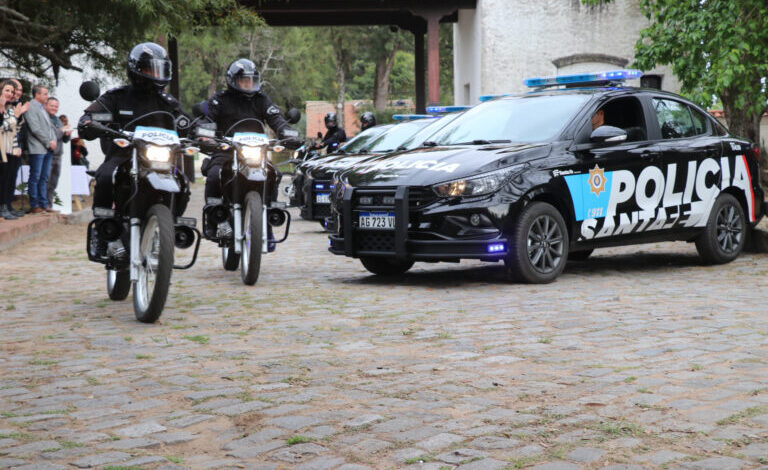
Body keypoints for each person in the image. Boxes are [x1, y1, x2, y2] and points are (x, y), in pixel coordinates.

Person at [78, 42, 189, 217]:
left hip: (160, 158)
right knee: (106, 175)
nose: (155, 74)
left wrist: (203, 133)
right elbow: (93, 115)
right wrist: (88, 121)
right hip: (123, 155)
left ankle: (173, 221)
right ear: (136, 69)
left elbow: (186, 123)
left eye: (159, 70)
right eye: (150, 70)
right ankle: (104, 227)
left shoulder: (168, 102)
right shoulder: (116, 97)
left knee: (182, 181)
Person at [203, 58, 298, 204]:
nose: (249, 84)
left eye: (252, 80)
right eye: (244, 80)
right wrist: (204, 134)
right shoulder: (220, 99)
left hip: (256, 152)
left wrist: (289, 134)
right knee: (215, 175)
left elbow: (276, 119)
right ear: (233, 80)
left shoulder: (261, 99)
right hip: (226, 151)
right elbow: (207, 119)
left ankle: (268, 214)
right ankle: (215, 220)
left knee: (274, 174)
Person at [25, 85, 57, 214]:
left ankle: (44, 204)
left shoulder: (42, 108)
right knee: (35, 177)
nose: (47, 96)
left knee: (44, 177)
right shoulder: (31, 107)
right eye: (44, 94)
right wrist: (48, 142)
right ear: (37, 95)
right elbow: (35, 129)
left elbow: (49, 127)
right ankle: (35, 204)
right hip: (37, 147)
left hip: (47, 148)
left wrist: (53, 140)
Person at [0, 80, 23, 219]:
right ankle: (2, 206)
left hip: (10, 147)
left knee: (9, 177)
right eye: (7, 90)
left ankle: (6, 205)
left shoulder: (9, 107)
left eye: (12, 92)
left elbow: (14, 128)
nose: (10, 94)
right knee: (3, 177)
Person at [45, 98, 71, 212]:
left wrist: (67, 134)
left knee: (53, 183)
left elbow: (64, 139)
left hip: (58, 155)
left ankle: (49, 205)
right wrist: (62, 130)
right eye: (52, 106)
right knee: (46, 181)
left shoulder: (58, 120)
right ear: (46, 105)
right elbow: (52, 135)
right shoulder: (45, 119)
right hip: (48, 154)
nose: (54, 108)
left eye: (56, 106)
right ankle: (44, 205)